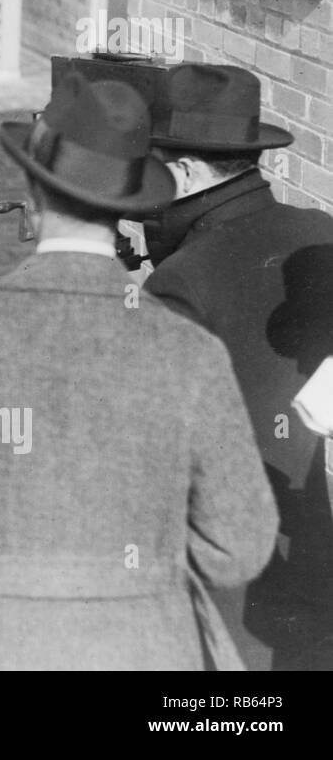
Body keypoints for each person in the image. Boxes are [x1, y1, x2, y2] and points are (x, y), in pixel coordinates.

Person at [0, 73, 279, 670]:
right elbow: (239, 546)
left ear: (32, 189)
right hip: (144, 648)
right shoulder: (189, 352)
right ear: (135, 203)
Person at [143, 63, 333, 670]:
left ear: (186, 171)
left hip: (221, 573)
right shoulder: (320, 236)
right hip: (311, 551)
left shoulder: (184, 276)